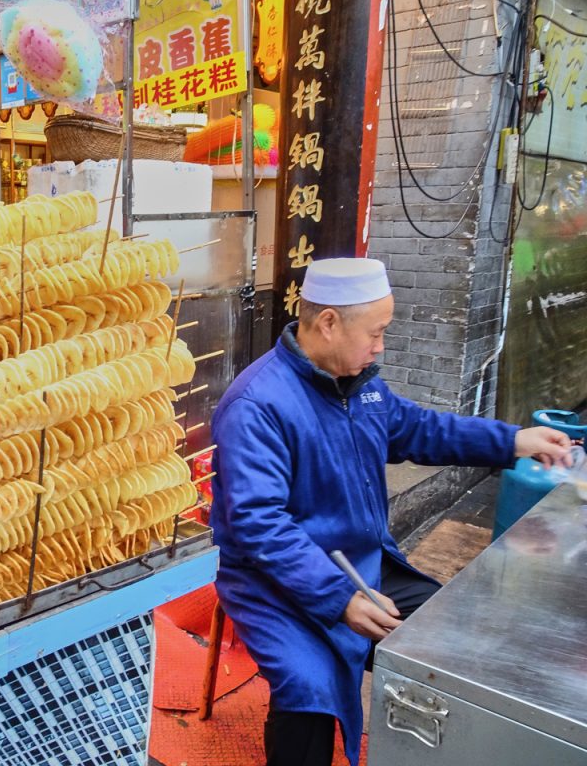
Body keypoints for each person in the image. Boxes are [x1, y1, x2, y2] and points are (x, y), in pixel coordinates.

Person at [209, 257, 572, 766]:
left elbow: (422, 430)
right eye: (376, 332)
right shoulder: (258, 404)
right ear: (329, 322)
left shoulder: (361, 385)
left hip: (362, 560)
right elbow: (258, 524)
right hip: (273, 583)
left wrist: (511, 440)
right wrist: (339, 597)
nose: (381, 346)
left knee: (447, 627)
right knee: (308, 690)